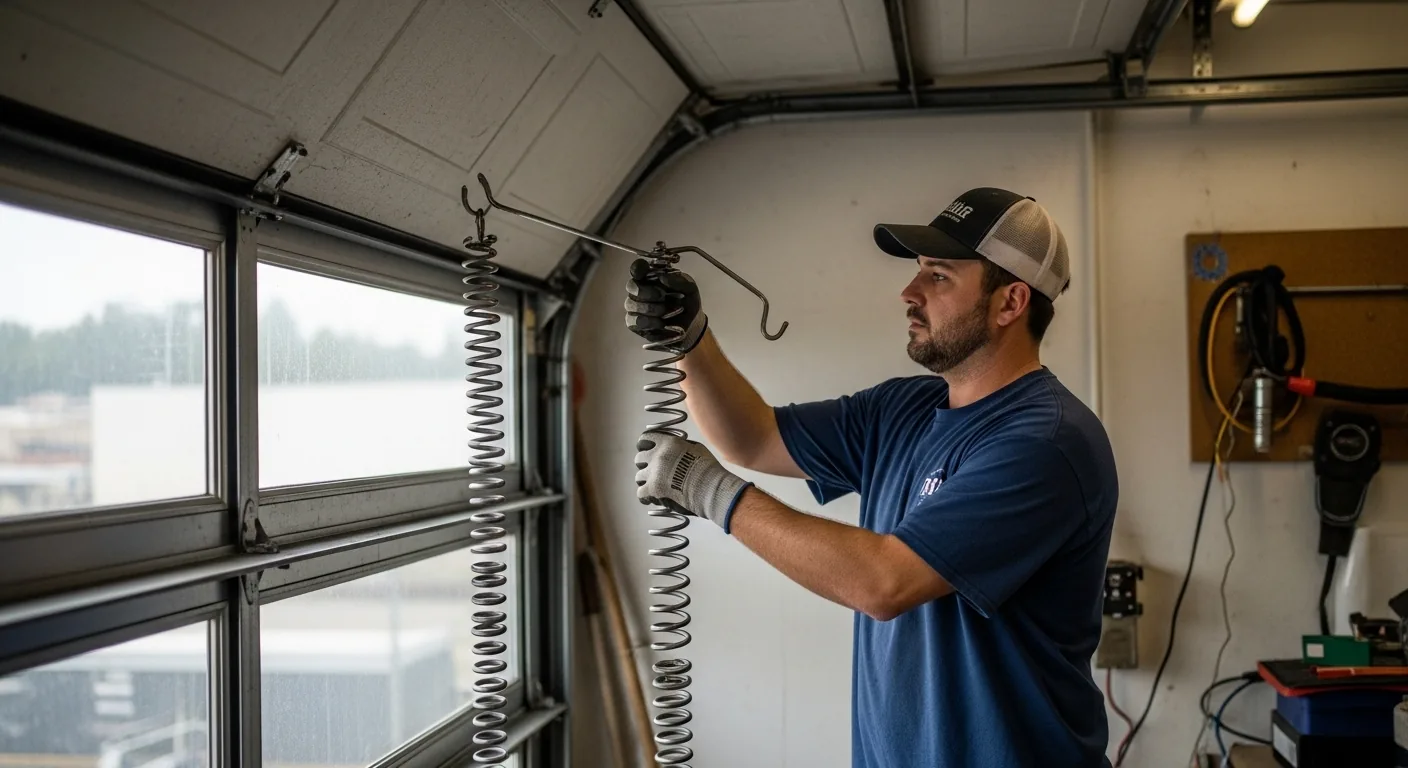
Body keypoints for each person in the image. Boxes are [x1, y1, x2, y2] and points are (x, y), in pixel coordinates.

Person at [625, 187, 1120, 768]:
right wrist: (688, 338)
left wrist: (707, 489)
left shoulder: (1046, 442)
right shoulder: (901, 410)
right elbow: (751, 439)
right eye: (918, 273)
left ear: (1010, 302)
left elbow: (884, 583)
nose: (909, 294)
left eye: (938, 276)